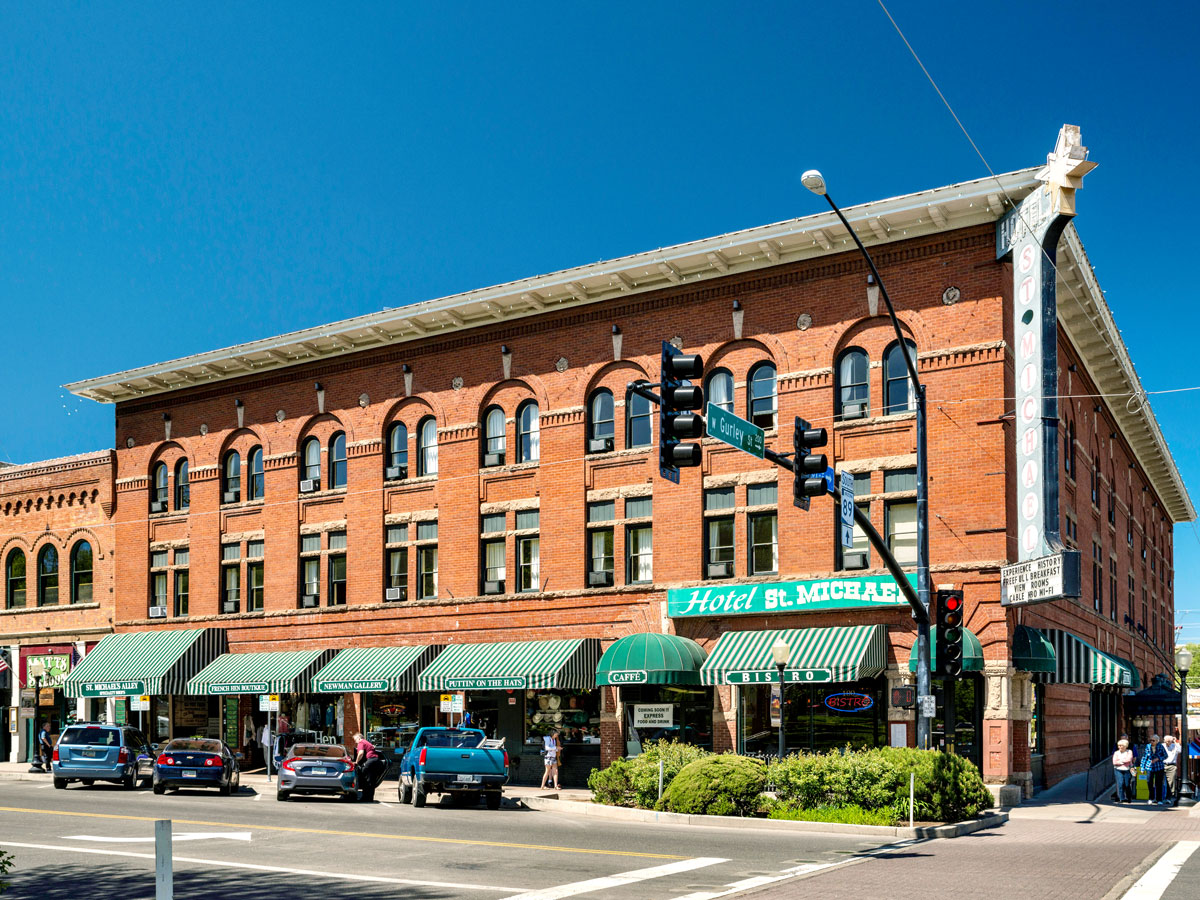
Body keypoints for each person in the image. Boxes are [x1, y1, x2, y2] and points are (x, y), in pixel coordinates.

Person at [353, 732, 386, 802]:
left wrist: (356, 762)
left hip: (371, 761)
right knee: (371, 780)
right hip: (376, 761)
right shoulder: (367, 742)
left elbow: (361, 753)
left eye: (355, 740)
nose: (355, 742)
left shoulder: (361, 742)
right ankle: (370, 798)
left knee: (365, 777)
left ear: (359, 738)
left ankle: (365, 797)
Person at [1141, 734, 1167, 805]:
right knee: (1149, 782)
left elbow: (1165, 755)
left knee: (1158, 783)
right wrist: (1142, 768)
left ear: (1157, 741)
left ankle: (1159, 799)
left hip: (1159, 767)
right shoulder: (1148, 746)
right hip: (1149, 766)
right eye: (1150, 740)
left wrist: (1158, 758)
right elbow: (1144, 757)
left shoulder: (1160, 746)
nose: (1151, 742)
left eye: (1153, 740)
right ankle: (1151, 798)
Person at [1112, 739, 1135, 803]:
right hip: (1118, 770)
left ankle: (1129, 797)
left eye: (1121, 745)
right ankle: (1121, 798)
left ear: (1125, 746)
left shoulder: (1129, 751)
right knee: (1120, 783)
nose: (1120, 747)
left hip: (1127, 769)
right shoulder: (1116, 753)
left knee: (1127, 784)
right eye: (1119, 745)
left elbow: (1128, 759)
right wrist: (1123, 761)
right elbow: (1114, 762)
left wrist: (1119, 761)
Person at [1163, 734, 1181, 805]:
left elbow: (1180, 750)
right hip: (1163, 764)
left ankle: (1168, 798)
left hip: (1171, 766)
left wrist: (1175, 741)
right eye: (1166, 741)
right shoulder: (1162, 746)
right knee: (1159, 781)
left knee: (1170, 783)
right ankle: (1159, 798)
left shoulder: (1175, 746)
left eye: (1169, 741)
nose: (1167, 743)